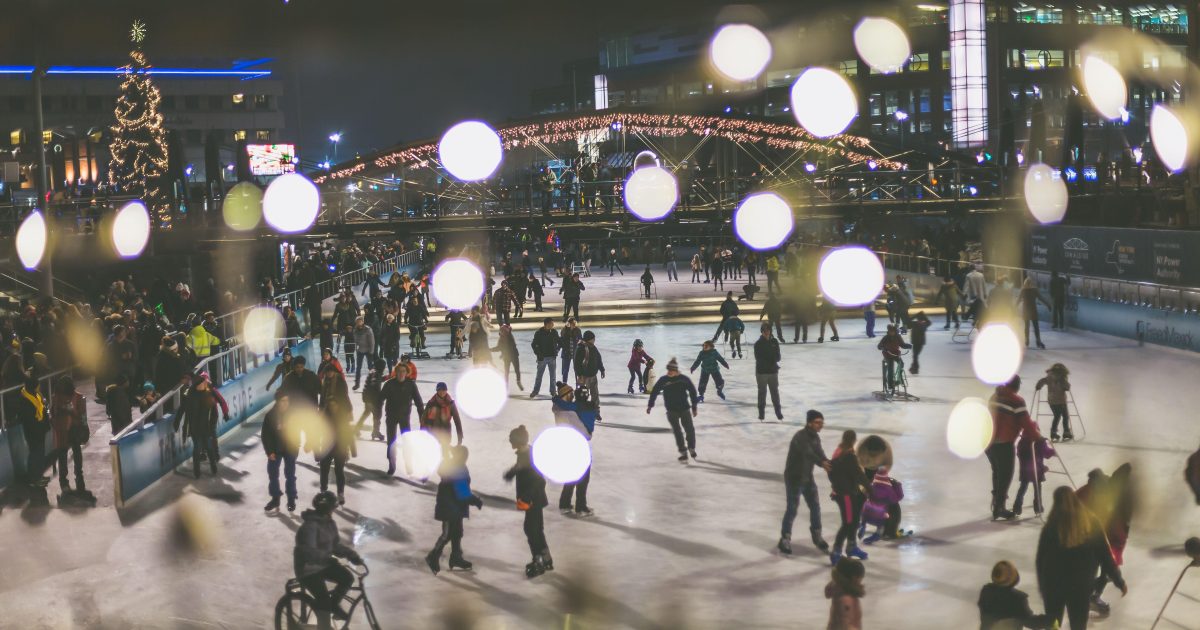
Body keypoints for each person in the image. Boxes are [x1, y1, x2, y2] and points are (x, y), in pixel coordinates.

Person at [1036, 486, 1126, 630]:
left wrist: (1043, 587)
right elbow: (1106, 556)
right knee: (1078, 625)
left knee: (1053, 625)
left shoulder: (1050, 528)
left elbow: (1040, 560)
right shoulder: (1091, 524)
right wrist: (1119, 581)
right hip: (1080, 587)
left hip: (1053, 586)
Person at [294, 491, 364, 628]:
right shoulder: (311, 526)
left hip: (322, 565)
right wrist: (327, 559)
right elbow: (310, 552)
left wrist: (351, 555)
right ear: (325, 508)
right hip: (307, 569)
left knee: (347, 577)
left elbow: (334, 545)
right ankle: (324, 625)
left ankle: (334, 605)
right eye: (332, 507)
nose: (333, 510)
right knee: (323, 600)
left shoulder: (329, 522)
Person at [988, 375, 1042, 520]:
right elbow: (1026, 422)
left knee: (997, 472)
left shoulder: (995, 396)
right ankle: (1000, 507)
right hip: (1003, 442)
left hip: (988, 441)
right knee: (1005, 476)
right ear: (1017, 385)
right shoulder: (1016, 400)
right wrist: (1038, 437)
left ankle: (996, 503)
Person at [503, 425, 553, 578]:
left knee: (531, 530)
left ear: (517, 442)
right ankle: (546, 558)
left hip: (533, 500)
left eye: (512, 441)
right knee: (535, 529)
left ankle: (538, 559)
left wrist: (527, 497)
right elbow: (521, 467)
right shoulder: (526, 453)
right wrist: (512, 472)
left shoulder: (529, 456)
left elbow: (539, 481)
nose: (510, 444)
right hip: (533, 499)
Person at [424, 445, 484, 574]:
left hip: (454, 507)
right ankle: (433, 556)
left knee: (457, 533)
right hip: (450, 508)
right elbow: (462, 494)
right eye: (464, 456)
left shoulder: (454, 467)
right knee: (447, 534)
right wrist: (476, 500)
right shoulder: (457, 469)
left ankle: (456, 557)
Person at [779, 409, 832, 555]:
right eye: (817, 422)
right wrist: (822, 463)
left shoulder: (815, 437)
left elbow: (819, 452)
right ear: (809, 423)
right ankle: (785, 538)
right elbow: (808, 453)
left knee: (815, 507)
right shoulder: (800, 437)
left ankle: (817, 535)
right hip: (795, 478)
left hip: (807, 477)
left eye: (822, 423)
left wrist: (828, 463)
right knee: (792, 508)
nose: (820, 425)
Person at [552, 382, 597, 516]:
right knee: (583, 478)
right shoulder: (569, 412)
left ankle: (564, 504)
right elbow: (584, 433)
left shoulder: (559, 407)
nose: (572, 396)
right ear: (565, 396)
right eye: (570, 394)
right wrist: (588, 434)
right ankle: (581, 507)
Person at [828, 429, 870, 565]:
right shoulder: (847, 455)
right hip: (845, 494)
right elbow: (858, 474)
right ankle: (836, 551)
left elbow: (831, 472)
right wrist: (871, 489)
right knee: (848, 523)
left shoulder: (840, 451)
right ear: (853, 440)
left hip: (850, 492)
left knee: (854, 520)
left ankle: (851, 546)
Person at [175, 372, 229, 478]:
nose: (205, 384)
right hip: (195, 427)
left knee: (209, 446)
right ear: (197, 385)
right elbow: (182, 409)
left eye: (205, 382)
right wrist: (177, 421)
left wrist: (223, 414)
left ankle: (213, 465)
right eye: (203, 383)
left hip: (206, 426)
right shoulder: (190, 395)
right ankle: (197, 471)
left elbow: (216, 407)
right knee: (197, 447)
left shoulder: (208, 393)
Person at [647, 358, 700, 463]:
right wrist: (650, 405)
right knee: (677, 432)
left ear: (676, 370)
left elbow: (693, 392)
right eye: (668, 370)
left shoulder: (683, 379)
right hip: (671, 411)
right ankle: (683, 452)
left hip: (684, 408)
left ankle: (691, 447)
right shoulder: (664, 380)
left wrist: (694, 407)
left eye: (671, 370)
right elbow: (655, 392)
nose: (669, 372)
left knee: (689, 429)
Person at [978, 561, 1053, 630]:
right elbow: (1030, 622)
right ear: (1012, 577)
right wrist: (1049, 621)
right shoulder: (1017, 599)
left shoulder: (986, 591)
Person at [318, 365, 354, 505]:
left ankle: (340, 493)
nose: (329, 374)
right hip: (327, 445)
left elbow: (345, 397)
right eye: (327, 373)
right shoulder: (325, 382)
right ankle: (323, 490)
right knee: (324, 468)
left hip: (339, 445)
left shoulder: (340, 382)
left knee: (339, 469)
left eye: (331, 372)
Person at [380, 363, 423, 476]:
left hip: (404, 417)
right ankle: (392, 464)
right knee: (391, 442)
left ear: (407, 372)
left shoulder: (411, 385)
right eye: (399, 371)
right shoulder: (389, 384)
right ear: (396, 372)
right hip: (391, 416)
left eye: (403, 371)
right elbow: (380, 399)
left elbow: (418, 401)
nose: (401, 373)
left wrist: (421, 416)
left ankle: (408, 463)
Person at [49, 375, 88, 495]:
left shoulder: (78, 397)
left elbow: (81, 415)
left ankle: (72, 476)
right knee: (66, 454)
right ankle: (68, 478)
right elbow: (53, 414)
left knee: (70, 453)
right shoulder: (57, 398)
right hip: (64, 430)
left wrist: (70, 411)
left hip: (72, 429)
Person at [263, 390, 300, 513]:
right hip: (275, 450)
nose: (286, 403)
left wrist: (295, 447)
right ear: (278, 402)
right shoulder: (271, 416)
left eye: (287, 401)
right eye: (283, 401)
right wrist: (270, 452)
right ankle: (275, 498)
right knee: (273, 474)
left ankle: (291, 500)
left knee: (290, 475)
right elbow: (266, 435)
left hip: (290, 449)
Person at [860, 466, 907, 544]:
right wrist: (898, 486)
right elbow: (898, 497)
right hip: (883, 514)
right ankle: (890, 533)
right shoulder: (888, 489)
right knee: (894, 507)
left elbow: (864, 493)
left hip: (872, 514)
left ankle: (882, 531)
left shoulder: (872, 486)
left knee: (884, 507)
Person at [1013, 433, 1055, 517]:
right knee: (1037, 488)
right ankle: (1038, 507)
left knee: (1023, 487)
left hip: (1025, 469)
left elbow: (1019, 454)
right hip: (1037, 470)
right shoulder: (1040, 442)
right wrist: (1053, 452)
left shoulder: (1022, 442)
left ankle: (1017, 507)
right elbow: (1046, 453)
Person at [754, 322, 783, 421]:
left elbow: (778, 357)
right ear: (762, 332)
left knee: (775, 392)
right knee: (762, 393)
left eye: (768, 331)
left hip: (773, 372)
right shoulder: (758, 344)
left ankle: (778, 412)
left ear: (770, 331)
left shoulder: (774, 341)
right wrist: (772, 359)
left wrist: (772, 359)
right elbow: (759, 358)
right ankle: (761, 413)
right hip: (762, 372)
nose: (766, 333)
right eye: (764, 331)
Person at [573, 330, 606, 420]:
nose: (594, 340)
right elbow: (576, 363)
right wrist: (579, 374)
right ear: (588, 339)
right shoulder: (581, 348)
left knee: (595, 395)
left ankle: (596, 412)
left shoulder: (593, 347)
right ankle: (581, 413)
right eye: (593, 338)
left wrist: (602, 369)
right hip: (584, 377)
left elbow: (598, 359)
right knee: (583, 396)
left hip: (593, 376)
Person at [825, 557, 865, 630]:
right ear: (854, 578)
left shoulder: (838, 588)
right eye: (860, 578)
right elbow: (845, 625)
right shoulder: (846, 599)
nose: (861, 581)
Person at [1036, 363, 1073, 441]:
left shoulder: (1049, 376)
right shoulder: (1062, 378)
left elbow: (1042, 381)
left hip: (1051, 400)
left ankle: (1054, 432)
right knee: (1064, 416)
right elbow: (1067, 387)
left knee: (1057, 416)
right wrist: (1066, 385)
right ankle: (1065, 432)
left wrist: (1038, 386)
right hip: (1061, 400)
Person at [422, 382, 464, 448]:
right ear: (437, 391)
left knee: (445, 454)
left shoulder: (450, 404)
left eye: (444, 390)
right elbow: (424, 419)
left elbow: (457, 420)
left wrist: (460, 436)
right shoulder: (431, 403)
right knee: (434, 454)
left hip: (446, 433)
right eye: (440, 390)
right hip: (433, 433)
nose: (442, 392)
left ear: (446, 391)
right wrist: (423, 435)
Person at [356, 358, 386, 441]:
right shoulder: (376, 373)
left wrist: (386, 377)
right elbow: (374, 384)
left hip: (367, 397)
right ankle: (375, 432)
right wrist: (379, 397)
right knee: (377, 414)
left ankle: (356, 429)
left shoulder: (374, 371)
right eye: (384, 366)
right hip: (371, 398)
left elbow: (377, 380)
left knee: (366, 413)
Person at [1018, 278, 1051, 349]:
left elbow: (1018, 300)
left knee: (1027, 326)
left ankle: (1027, 339)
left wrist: (1013, 308)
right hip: (1033, 311)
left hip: (1026, 311)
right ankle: (1038, 340)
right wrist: (1048, 304)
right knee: (1036, 327)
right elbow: (1041, 298)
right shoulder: (1034, 290)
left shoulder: (1023, 290)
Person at [877, 324, 912, 392]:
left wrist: (908, 346)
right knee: (890, 367)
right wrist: (883, 348)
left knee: (901, 364)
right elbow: (879, 346)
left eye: (893, 331)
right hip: (888, 354)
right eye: (891, 331)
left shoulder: (898, 337)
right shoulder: (886, 338)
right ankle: (890, 385)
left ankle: (899, 378)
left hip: (896, 354)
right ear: (889, 331)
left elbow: (902, 345)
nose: (892, 333)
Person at [492, 324, 524, 391]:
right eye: (502, 331)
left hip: (513, 356)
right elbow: (500, 347)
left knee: (516, 370)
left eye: (504, 331)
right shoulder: (502, 338)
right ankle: (506, 385)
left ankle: (518, 382)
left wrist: (499, 352)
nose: (503, 332)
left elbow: (502, 347)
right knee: (507, 371)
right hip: (507, 357)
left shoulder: (510, 337)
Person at [351, 318, 375, 390]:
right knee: (358, 367)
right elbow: (355, 340)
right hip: (360, 350)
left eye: (360, 321)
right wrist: (356, 348)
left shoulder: (368, 329)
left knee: (370, 367)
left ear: (363, 322)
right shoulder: (355, 330)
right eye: (357, 321)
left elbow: (372, 341)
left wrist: (371, 351)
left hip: (368, 350)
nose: (358, 323)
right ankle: (357, 384)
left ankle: (373, 382)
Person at [559, 317, 581, 383]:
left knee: (577, 370)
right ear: (569, 324)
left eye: (575, 323)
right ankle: (564, 383)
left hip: (575, 353)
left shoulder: (577, 330)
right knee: (565, 370)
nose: (574, 325)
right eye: (572, 323)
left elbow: (580, 339)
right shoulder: (564, 330)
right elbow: (562, 341)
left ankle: (579, 384)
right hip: (566, 353)